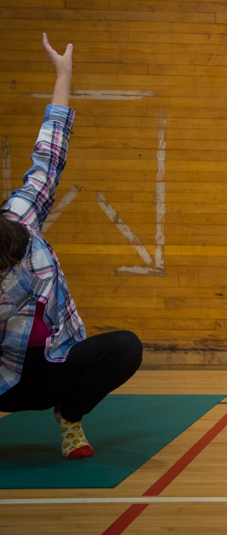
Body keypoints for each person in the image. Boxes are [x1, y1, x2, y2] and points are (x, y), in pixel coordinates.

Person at [0, 34, 143, 459]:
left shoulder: (21, 216)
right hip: (6, 382)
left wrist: (63, 75)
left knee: (124, 347)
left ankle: (71, 416)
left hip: (56, 366)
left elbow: (50, 153)